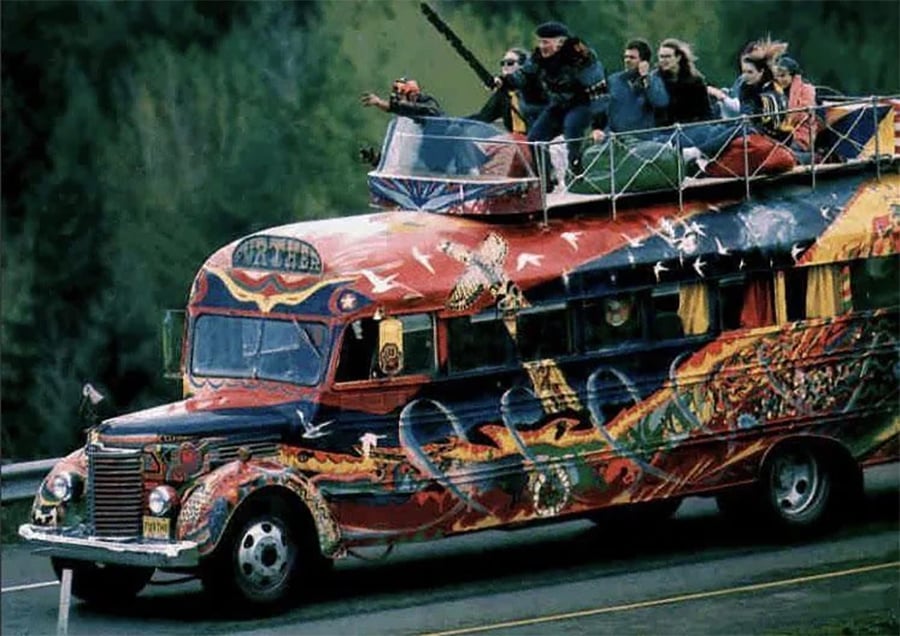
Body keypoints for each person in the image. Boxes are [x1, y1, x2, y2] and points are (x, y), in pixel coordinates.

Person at [501, 21, 608, 178]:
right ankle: (545, 179)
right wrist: (503, 82)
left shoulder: (581, 58)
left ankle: (578, 172)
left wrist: (599, 125)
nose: (541, 46)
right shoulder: (539, 58)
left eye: (546, 42)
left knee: (571, 127)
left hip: (583, 103)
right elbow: (524, 75)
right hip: (559, 104)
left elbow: (598, 91)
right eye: (540, 42)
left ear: (560, 43)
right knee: (535, 138)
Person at [361, 78, 483, 175]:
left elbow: (430, 110)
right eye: (399, 97)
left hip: (443, 152)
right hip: (425, 162)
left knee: (455, 130)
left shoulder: (427, 104)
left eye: (404, 96)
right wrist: (378, 160)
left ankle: (467, 173)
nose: (400, 101)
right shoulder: (404, 122)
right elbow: (400, 150)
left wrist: (390, 105)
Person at [591, 38, 669, 140]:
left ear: (644, 62)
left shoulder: (654, 81)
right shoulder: (612, 81)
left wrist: (645, 78)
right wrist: (597, 129)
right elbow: (600, 108)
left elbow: (660, 102)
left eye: (632, 58)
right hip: (616, 140)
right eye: (626, 57)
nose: (627, 60)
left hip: (644, 140)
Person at [468, 47, 545, 133]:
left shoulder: (534, 86)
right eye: (502, 63)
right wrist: (458, 123)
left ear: (523, 66)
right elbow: (483, 117)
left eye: (510, 63)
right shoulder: (503, 93)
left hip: (543, 137)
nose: (505, 66)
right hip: (517, 139)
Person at [737, 37, 790, 139]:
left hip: (770, 137)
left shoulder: (771, 92)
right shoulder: (745, 87)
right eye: (743, 72)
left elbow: (773, 125)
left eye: (750, 72)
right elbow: (745, 111)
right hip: (746, 129)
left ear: (761, 72)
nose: (745, 76)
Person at [654, 38, 713, 126]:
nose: (664, 60)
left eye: (668, 56)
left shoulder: (695, 81)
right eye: (661, 57)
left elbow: (706, 112)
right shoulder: (655, 80)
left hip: (692, 127)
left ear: (678, 57)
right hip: (664, 129)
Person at [773, 56, 817, 152]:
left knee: (778, 151)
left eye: (783, 76)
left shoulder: (807, 89)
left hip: (799, 135)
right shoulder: (774, 90)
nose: (779, 79)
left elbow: (802, 115)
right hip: (776, 134)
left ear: (793, 75)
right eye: (777, 76)